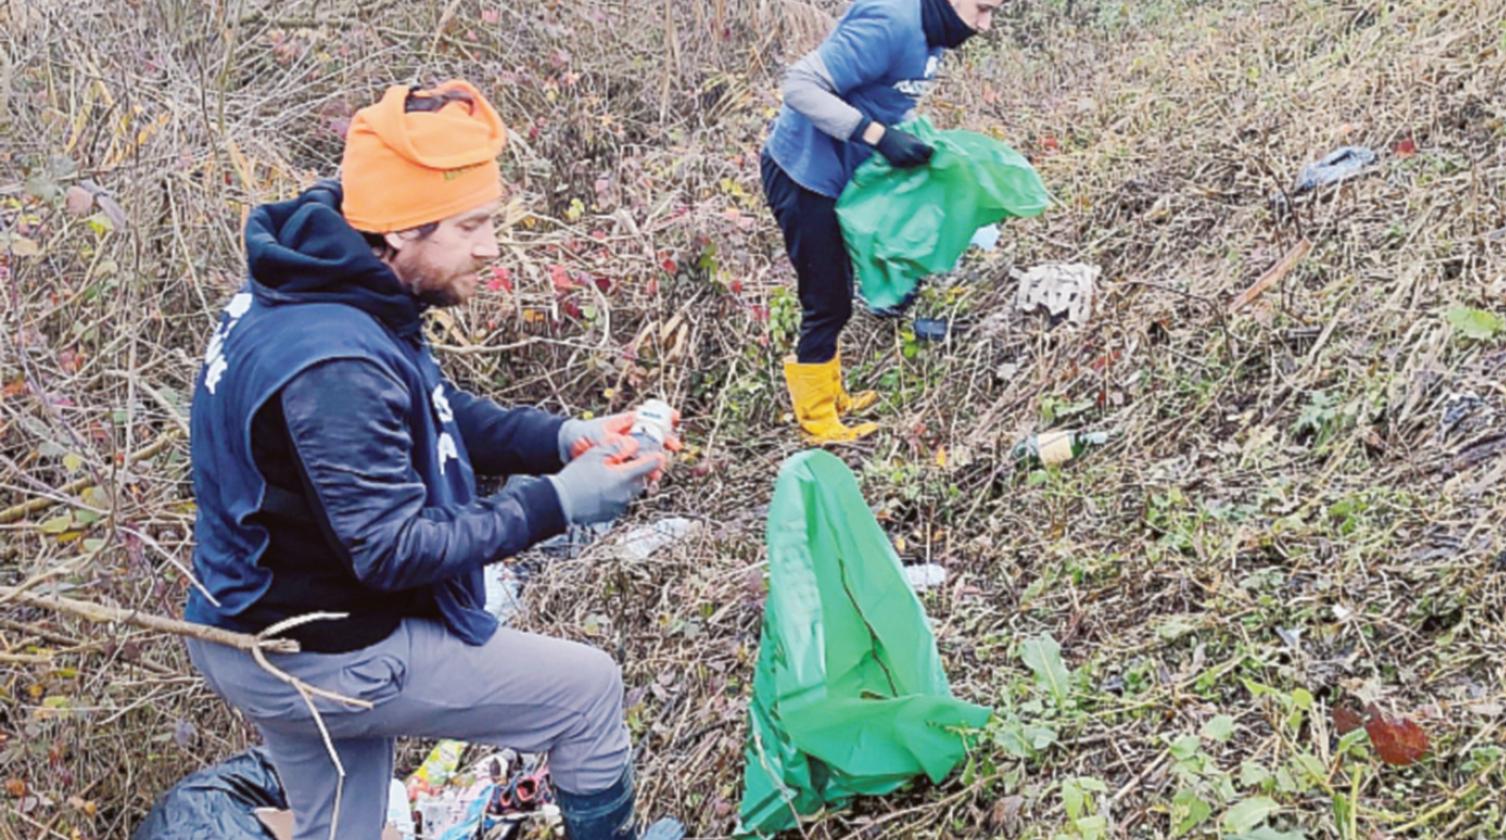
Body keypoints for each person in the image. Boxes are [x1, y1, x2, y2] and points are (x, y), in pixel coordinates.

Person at [182, 80, 683, 840]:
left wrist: (561, 438)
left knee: (342, 826)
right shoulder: (335, 363)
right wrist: (558, 501)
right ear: (396, 231)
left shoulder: (317, 284)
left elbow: (430, 410)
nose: (490, 247)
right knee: (587, 693)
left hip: (251, 629)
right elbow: (392, 549)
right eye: (470, 225)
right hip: (321, 653)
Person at [760, 0, 1001, 443]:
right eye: (983, 9)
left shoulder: (934, 32)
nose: (985, 26)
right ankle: (816, 419)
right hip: (803, 173)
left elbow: (888, 98)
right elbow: (799, 86)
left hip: (840, 176)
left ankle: (833, 396)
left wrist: (911, 138)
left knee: (838, 291)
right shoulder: (892, 20)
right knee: (827, 300)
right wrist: (876, 135)